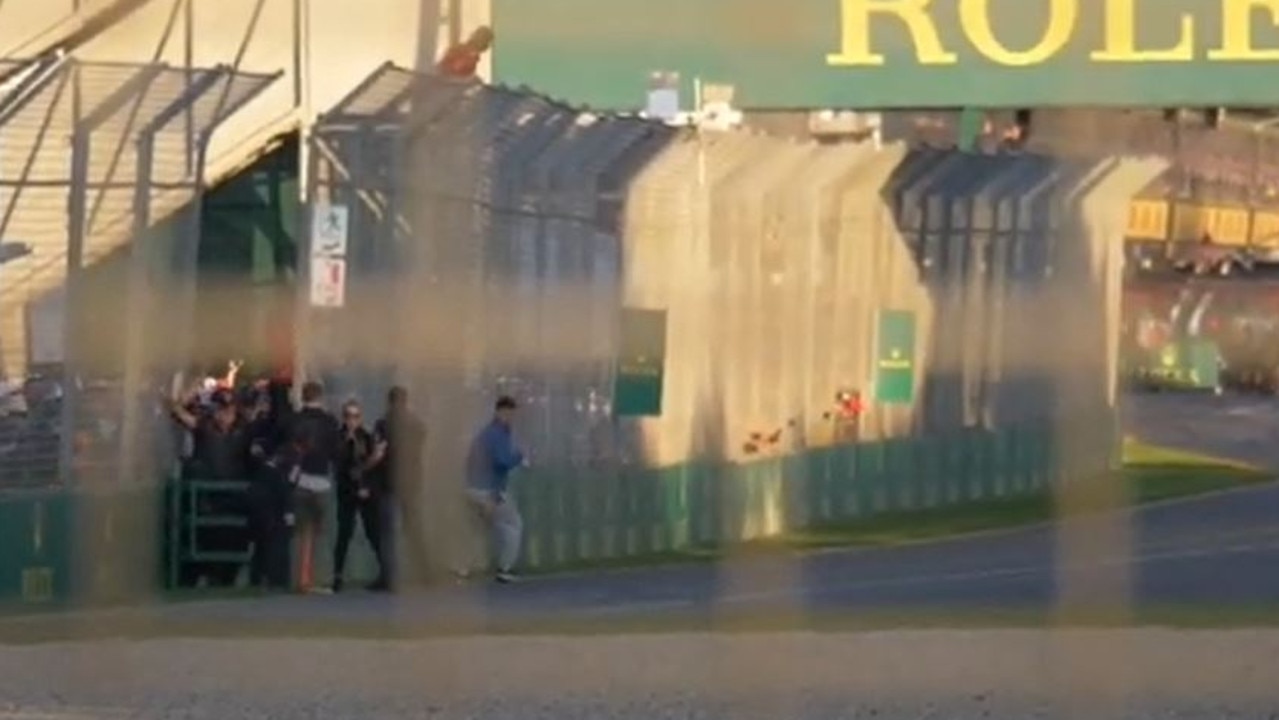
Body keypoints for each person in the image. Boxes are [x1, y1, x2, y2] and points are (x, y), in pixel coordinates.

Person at [464, 395, 528, 584]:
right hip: (489, 490)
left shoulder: (484, 434)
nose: (512, 418)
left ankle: (462, 567)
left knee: (478, 528)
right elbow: (501, 462)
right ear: (502, 412)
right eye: (510, 413)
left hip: (472, 488)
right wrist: (519, 456)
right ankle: (504, 568)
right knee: (513, 525)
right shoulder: (498, 434)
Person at [370, 386, 427, 589]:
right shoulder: (417, 424)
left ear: (389, 401)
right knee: (413, 529)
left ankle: (389, 578)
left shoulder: (383, 424)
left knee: (387, 532)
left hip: (388, 481)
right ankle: (425, 573)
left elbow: (378, 453)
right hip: (411, 482)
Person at [288, 381, 340, 593]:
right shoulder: (329, 422)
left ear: (303, 396)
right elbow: (337, 452)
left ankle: (300, 578)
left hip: (300, 479)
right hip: (321, 480)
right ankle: (320, 579)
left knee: (302, 533)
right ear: (321, 397)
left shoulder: (295, 420)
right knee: (323, 533)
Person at [332, 399, 387, 592]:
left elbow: (374, 467)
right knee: (344, 533)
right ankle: (337, 575)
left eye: (355, 416)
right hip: (347, 491)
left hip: (366, 491)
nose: (351, 421)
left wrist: (368, 485)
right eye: (348, 416)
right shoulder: (339, 437)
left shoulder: (366, 436)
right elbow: (341, 465)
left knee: (374, 532)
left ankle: (386, 571)